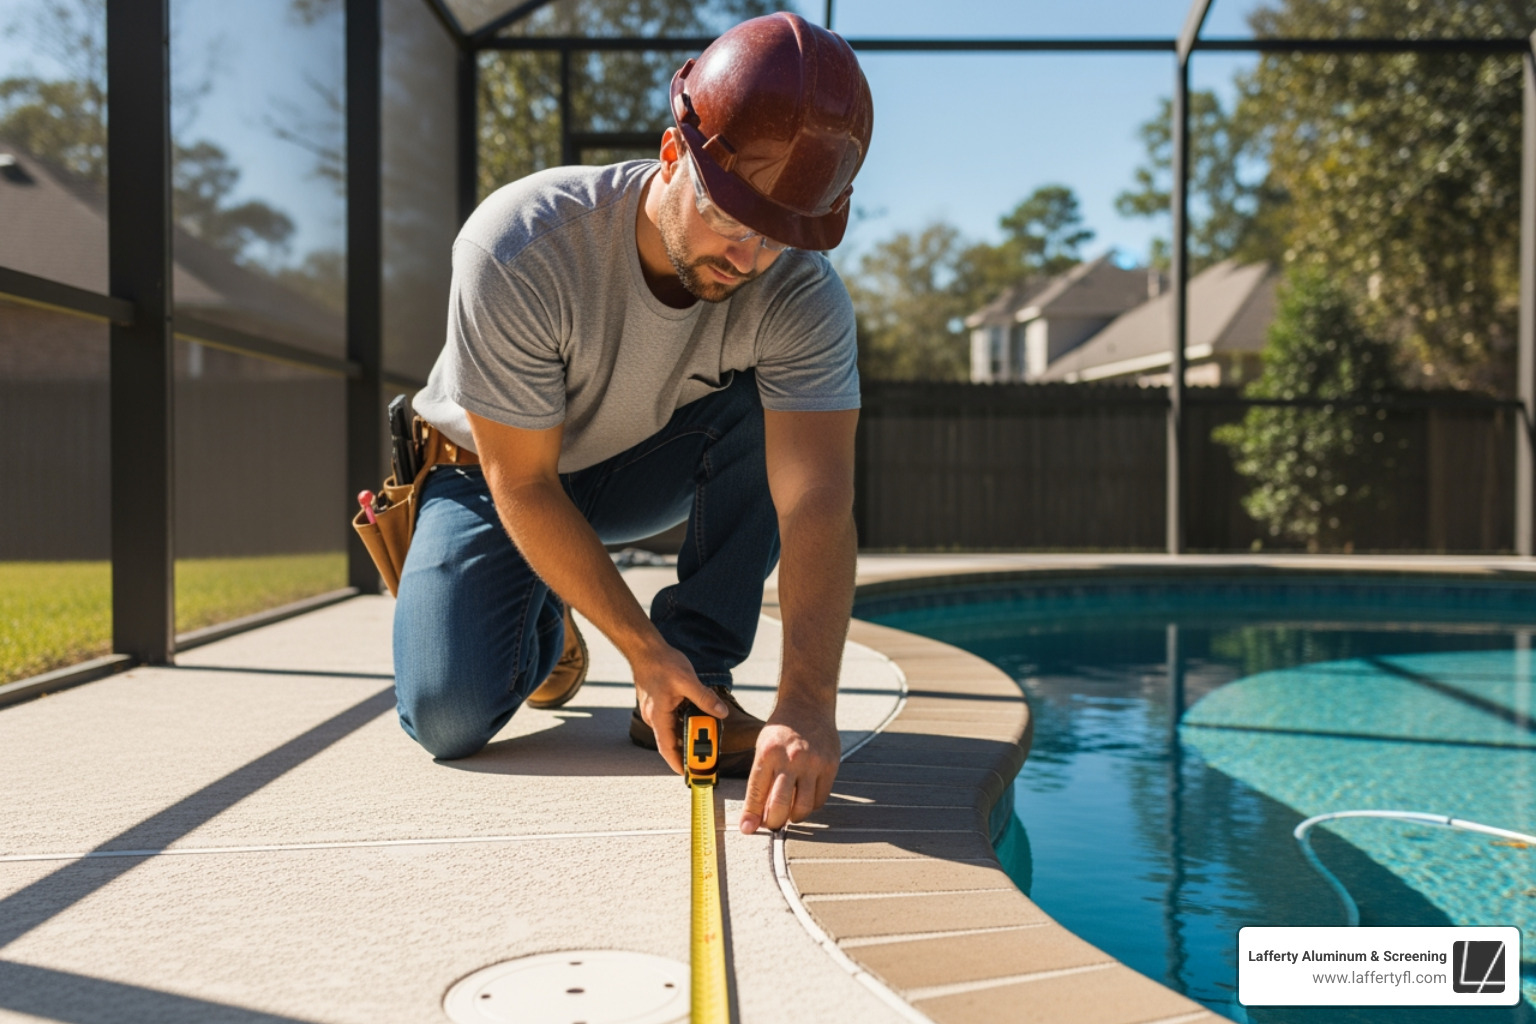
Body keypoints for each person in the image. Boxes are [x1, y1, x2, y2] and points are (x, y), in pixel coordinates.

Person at [394, 11, 873, 837]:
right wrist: (638, 654)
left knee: (779, 425)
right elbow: (526, 481)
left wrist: (807, 704)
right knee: (446, 718)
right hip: (490, 476)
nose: (749, 259)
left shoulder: (800, 293)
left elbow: (816, 504)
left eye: (779, 237)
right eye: (731, 218)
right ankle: (556, 613)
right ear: (672, 152)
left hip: (634, 466)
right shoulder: (520, 243)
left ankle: (700, 679)